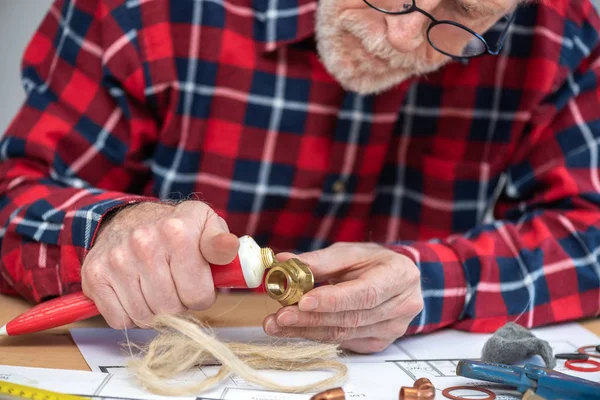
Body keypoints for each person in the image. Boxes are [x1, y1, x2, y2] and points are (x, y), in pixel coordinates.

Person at [0, 0, 599, 354]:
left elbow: (590, 232)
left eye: (464, 14)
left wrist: (435, 280)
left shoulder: (557, 29)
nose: (401, 37)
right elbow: (18, 188)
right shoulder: (140, 10)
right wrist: (111, 231)